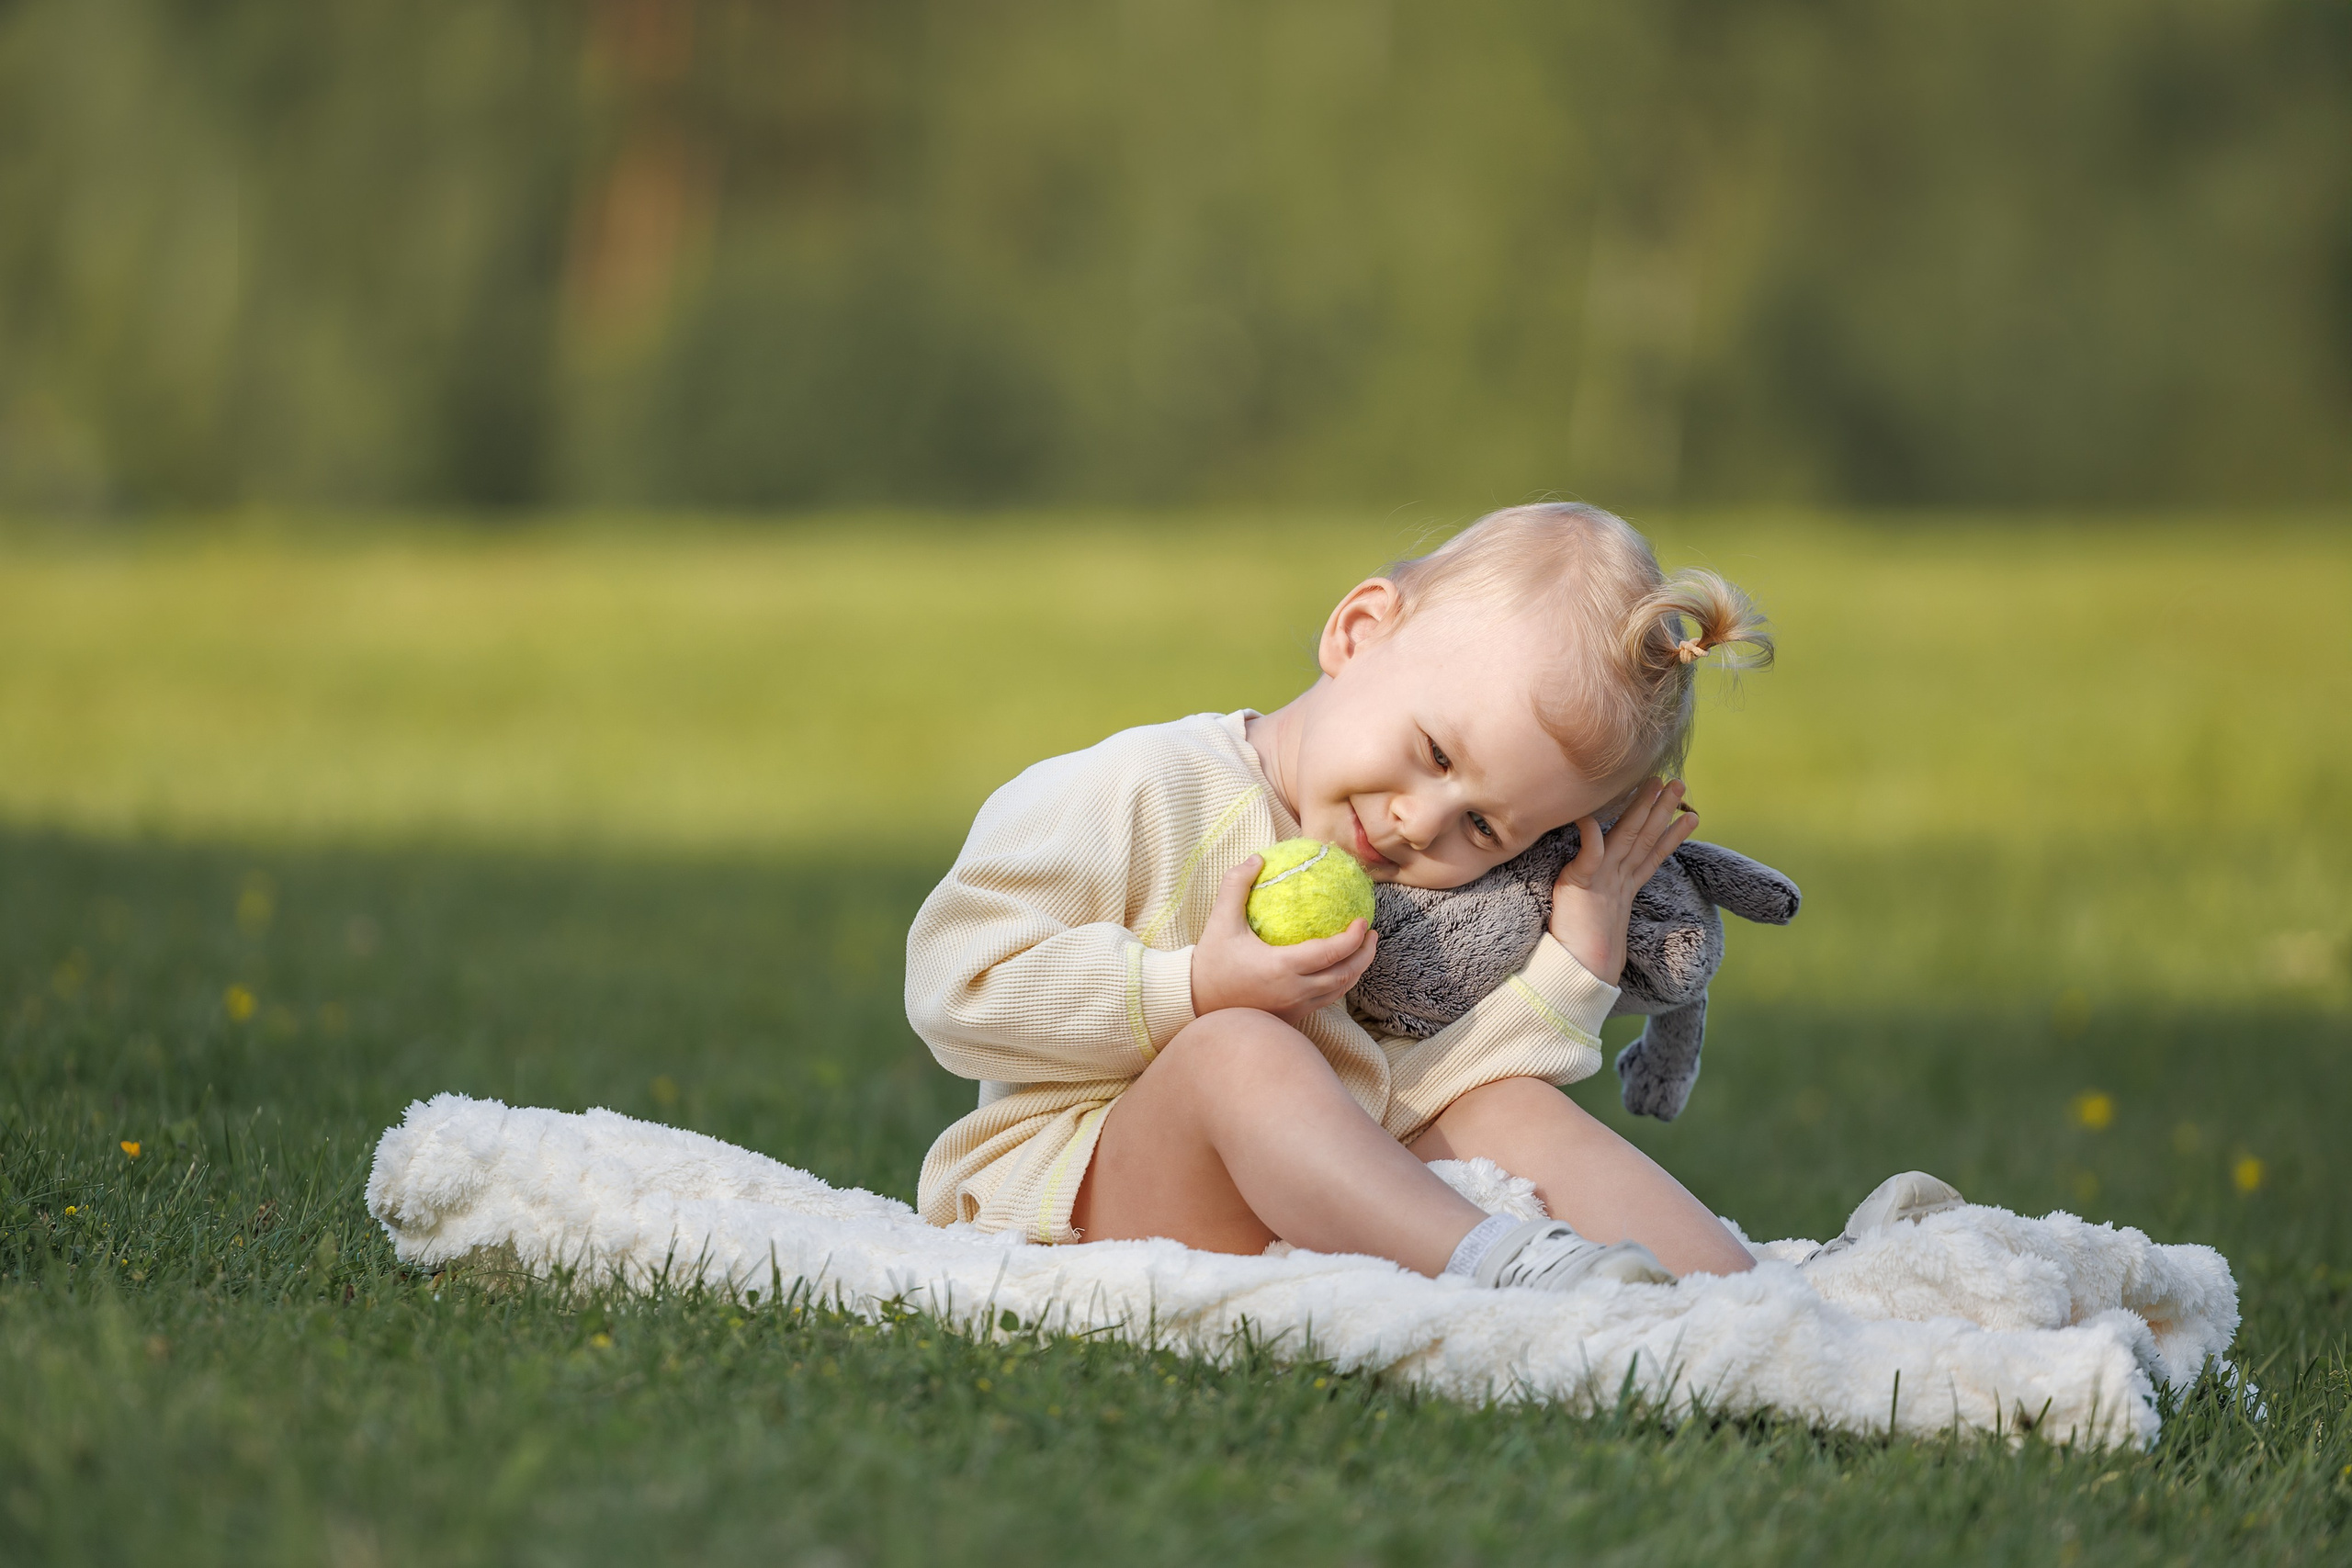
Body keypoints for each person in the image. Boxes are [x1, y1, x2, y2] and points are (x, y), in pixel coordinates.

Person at [904, 502, 1932, 1292]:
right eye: (1434, 753)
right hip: (1067, 1200)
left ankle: (1751, 1295)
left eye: (1485, 828)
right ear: (1357, 631)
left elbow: (1416, 1094)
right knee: (1238, 1052)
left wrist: (1574, 963)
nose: (1418, 824)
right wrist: (1194, 990)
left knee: (1504, 1107)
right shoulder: (1141, 788)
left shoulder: (1421, 893)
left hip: (1286, 1196)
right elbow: (957, 985)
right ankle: (1494, 1267)